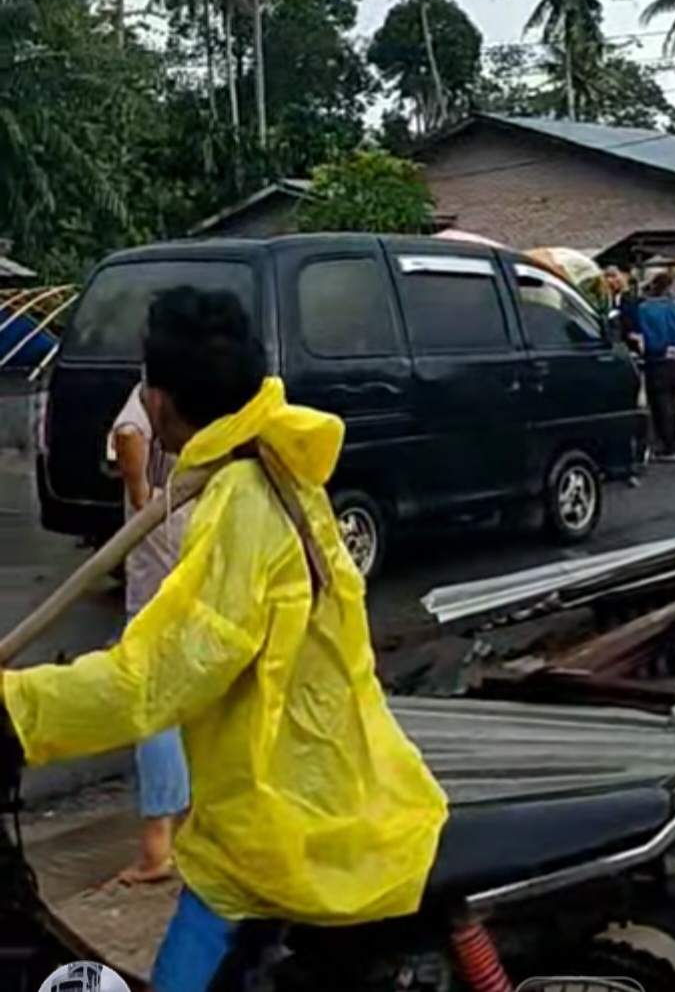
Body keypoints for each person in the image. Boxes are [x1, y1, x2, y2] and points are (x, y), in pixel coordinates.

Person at [0, 287, 448, 992]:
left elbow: (155, 678)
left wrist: (15, 710)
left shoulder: (243, 503)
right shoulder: (273, 465)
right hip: (324, 781)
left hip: (284, 818)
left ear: (161, 400)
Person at [111, 383, 192, 884]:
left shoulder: (154, 389)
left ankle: (158, 843)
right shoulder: (230, 385)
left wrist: (141, 494)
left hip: (164, 549)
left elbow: (127, 433)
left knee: (154, 696)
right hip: (214, 542)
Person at [638, 272, 675, 463]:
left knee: (661, 405)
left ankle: (667, 445)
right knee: (674, 402)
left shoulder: (645, 309)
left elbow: (644, 336)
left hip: (656, 361)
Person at [602, 264, 642, 353]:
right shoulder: (606, 301)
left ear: (625, 276)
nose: (610, 280)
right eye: (607, 276)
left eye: (613, 276)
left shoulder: (631, 301)